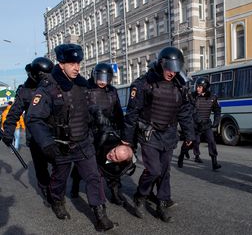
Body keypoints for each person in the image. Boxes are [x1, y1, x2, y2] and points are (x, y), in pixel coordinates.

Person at [26, 43, 114, 232]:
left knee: (93, 177)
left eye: (78, 63)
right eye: (72, 63)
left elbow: (86, 106)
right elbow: (33, 118)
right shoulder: (48, 87)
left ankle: (100, 214)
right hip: (61, 146)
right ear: (61, 63)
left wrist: (97, 113)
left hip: (84, 142)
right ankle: (57, 201)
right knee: (59, 180)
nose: (77, 67)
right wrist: (47, 143)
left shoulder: (81, 84)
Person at [122, 46, 195, 222]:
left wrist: (189, 135)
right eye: (169, 67)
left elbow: (185, 112)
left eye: (176, 68)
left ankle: (162, 202)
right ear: (161, 64)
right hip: (149, 133)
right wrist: (127, 141)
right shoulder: (143, 84)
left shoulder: (180, 86)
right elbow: (132, 113)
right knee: (154, 170)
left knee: (164, 171)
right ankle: (141, 195)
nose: (172, 72)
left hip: (169, 133)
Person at [70, 62, 128, 206]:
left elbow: (118, 112)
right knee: (85, 162)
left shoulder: (112, 91)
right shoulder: (85, 89)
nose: (103, 82)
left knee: (113, 162)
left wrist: (123, 132)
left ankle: (115, 192)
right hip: (90, 132)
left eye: (106, 78)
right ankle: (76, 183)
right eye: (100, 78)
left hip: (109, 131)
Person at [0, 57, 53, 203]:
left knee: (60, 165)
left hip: (54, 134)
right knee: (42, 169)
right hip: (35, 137)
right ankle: (47, 191)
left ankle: (57, 191)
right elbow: (13, 115)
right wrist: (9, 133)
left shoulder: (53, 87)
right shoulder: (24, 91)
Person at [177, 77, 221, 170]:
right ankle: (181, 156)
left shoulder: (212, 98)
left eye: (200, 87)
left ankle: (214, 162)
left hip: (206, 124)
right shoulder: (192, 96)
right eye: (197, 86)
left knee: (211, 141)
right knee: (192, 142)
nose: (197, 88)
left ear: (205, 87)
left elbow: (217, 110)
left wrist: (217, 121)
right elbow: (190, 109)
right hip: (194, 124)